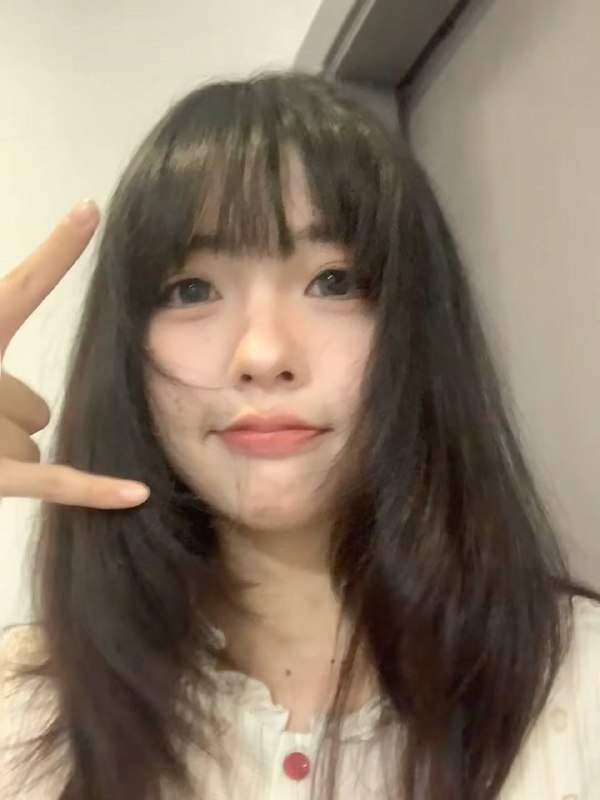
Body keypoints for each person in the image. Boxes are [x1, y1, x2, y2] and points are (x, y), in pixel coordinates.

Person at [0, 72, 599, 800]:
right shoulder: (24, 716)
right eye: (192, 290)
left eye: (333, 281)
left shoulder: (578, 688)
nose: (263, 356)